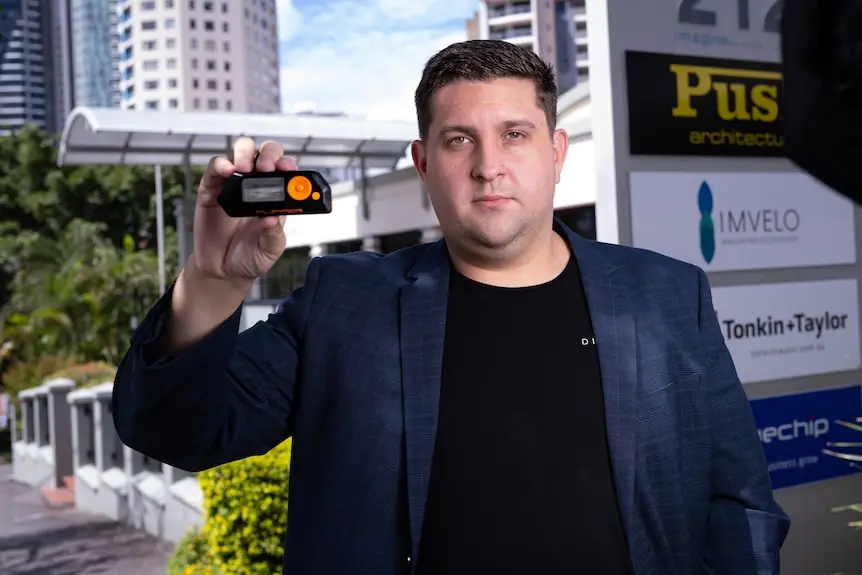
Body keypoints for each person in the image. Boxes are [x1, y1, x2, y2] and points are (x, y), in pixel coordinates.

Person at [112, 40, 790, 574]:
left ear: (556, 154)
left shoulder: (667, 296)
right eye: (459, 139)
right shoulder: (344, 303)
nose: (488, 165)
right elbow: (177, 430)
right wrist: (211, 281)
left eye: (516, 135)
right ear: (424, 161)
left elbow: (740, 503)